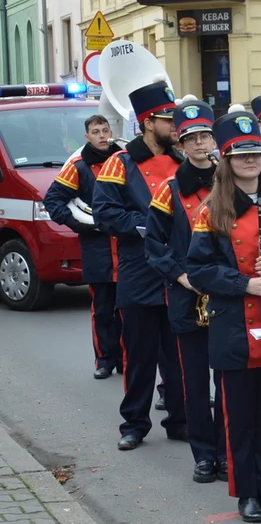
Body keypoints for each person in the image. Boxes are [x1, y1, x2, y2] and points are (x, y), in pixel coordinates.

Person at [187, 105, 261, 524]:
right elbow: (197, 269)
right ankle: (246, 493)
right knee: (239, 418)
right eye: (241, 154)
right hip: (234, 324)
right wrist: (243, 282)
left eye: (256, 153)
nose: (251, 160)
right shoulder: (211, 210)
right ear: (228, 160)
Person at [94, 76, 187, 451]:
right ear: (149, 122)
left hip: (179, 273)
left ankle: (180, 420)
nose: (175, 126)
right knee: (139, 354)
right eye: (168, 119)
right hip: (137, 270)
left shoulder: (182, 161)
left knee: (179, 354)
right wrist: (145, 225)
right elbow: (104, 213)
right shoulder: (121, 162)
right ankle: (134, 423)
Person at [145, 97, 223, 484]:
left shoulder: (230, 184)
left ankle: (226, 451)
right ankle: (204, 455)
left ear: (213, 139)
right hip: (186, 295)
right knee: (194, 382)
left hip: (225, 296)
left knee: (228, 380)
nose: (198, 143)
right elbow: (153, 244)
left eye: (204, 135)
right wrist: (179, 276)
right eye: (191, 137)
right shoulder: (168, 189)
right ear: (180, 142)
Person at [44, 114, 123, 380]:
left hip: (126, 248)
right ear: (87, 137)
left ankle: (127, 358)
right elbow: (53, 199)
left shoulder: (124, 159)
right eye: (95, 132)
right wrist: (77, 224)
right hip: (97, 248)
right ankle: (104, 360)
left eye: (105, 130)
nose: (102, 136)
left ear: (110, 131)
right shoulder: (78, 166)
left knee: (130, 309)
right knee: (102, 309)